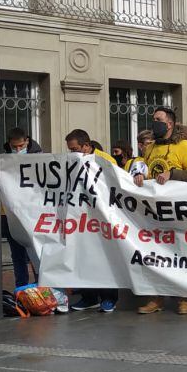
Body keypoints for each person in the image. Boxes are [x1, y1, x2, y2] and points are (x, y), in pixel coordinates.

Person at [133, 107, 187, 315]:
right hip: (154, 212)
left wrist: (172, 174)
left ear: (170, 124)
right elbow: (145, 170)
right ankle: (156, 297)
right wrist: (139, 175)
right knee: (155, 255)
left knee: (181, 254)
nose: (154, 123)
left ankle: (185, 297)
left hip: (178, 211)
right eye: (153, 119)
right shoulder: (151, 147)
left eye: (158, 120)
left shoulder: (185, 146)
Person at [65, 129, 120, 313]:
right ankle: (89, 297)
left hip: (103, 216)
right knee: (84, 256)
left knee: (105, 257)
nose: (73, 153)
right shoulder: (73, 161)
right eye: (70, 150)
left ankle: (109, 298)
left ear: (87, 146)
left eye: (75, 149)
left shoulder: (106, 160)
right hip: (82, 216)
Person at [2, 128, 41, 290]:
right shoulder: (4, 159)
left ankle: (42, 286)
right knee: (17, 255)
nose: (18, 150)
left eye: (21, 146)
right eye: (14, 147)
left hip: (33, 214)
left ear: (27, 141)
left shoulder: (40, 157)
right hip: (11, 215)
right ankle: (21, 288)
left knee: (37, 254)